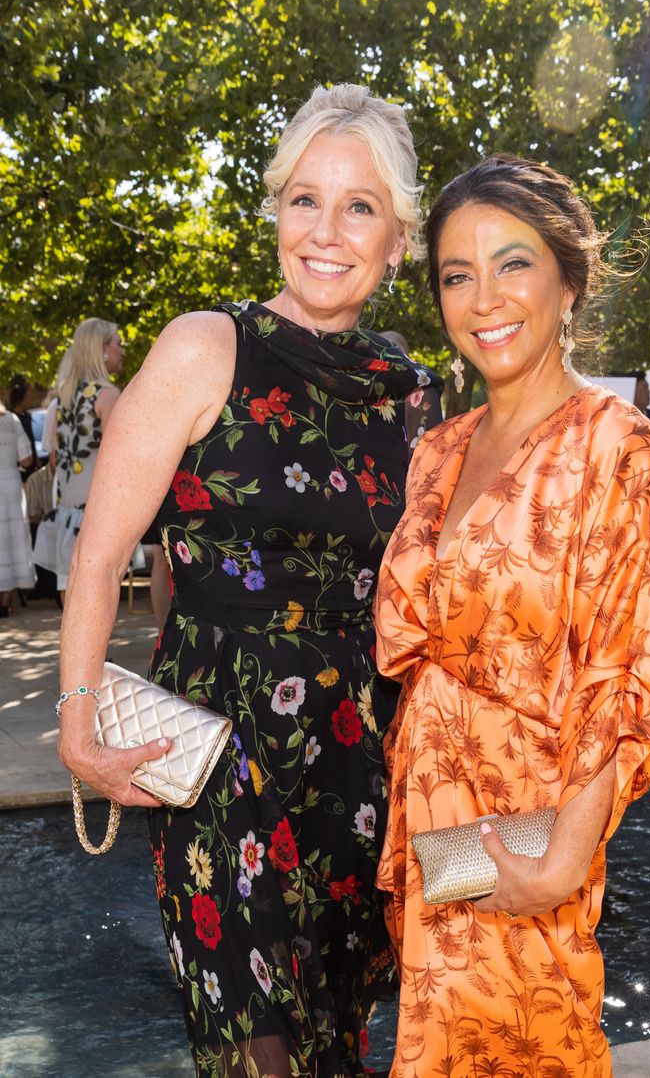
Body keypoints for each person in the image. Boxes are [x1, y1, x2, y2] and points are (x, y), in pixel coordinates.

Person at [56, 83, 442, 1078]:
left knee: (337, 1036)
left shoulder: (412, 392)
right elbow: (98, 555)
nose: (326, 231)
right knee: (253, 1046)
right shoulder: (203, 347)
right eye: (304, 199)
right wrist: (77, 721)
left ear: (398, 238)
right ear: (275, 211)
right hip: (218, 752)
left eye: (359, 206)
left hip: (359, 756)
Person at [374, 155, 650, 1078]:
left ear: (570, 282)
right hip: (434, 830)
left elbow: (635, 668)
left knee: (535, 1047)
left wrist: (560, 863)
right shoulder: (437, 451)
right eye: (456, 274)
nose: (484, 298)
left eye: (513, 263)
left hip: (531, 832)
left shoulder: (618, 446)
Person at [32, 318, 124, 601]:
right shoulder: (107, 395)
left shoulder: (62, 398)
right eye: (119, 344)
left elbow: (54, 459)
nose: (123, 351)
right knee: (97, 592)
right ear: (102, 349)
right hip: (97, 508)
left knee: (69, 587)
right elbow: (118, 458)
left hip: (66, 507)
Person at [0, 399, 36, 616]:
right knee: (11, 538)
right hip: (10, 483)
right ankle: (4, 603)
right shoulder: (12, 420)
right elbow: (26, 460)